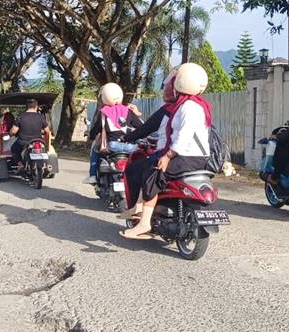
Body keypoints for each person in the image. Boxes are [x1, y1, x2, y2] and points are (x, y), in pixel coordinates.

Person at [121, 63, 211, 240]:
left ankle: (145, 222)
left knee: (153, 172)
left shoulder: (188, 107)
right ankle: (140, 206)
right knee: (140, 167)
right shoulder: (192, 104)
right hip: (190, 156)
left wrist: (168, 156)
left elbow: (184, 136)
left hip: (186, 157)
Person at [83, 83, 143, 184]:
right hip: (130, 147)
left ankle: (92, 175)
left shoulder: (104, 112)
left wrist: (91, 136)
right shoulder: (128, 111)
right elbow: (140, 127)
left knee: (94, 149)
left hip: (113, 146)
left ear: (104, 97)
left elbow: (96, 129)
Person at [11, 98, 51, 165]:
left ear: (27, 106)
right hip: (38, 141)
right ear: (37, 106)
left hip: (23, 143)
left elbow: (14, 131)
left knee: (13, 148)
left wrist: (10, 133)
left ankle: (20, 164)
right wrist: (42, 131)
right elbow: (47, 131)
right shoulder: (41, 117)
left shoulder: (21, 117)